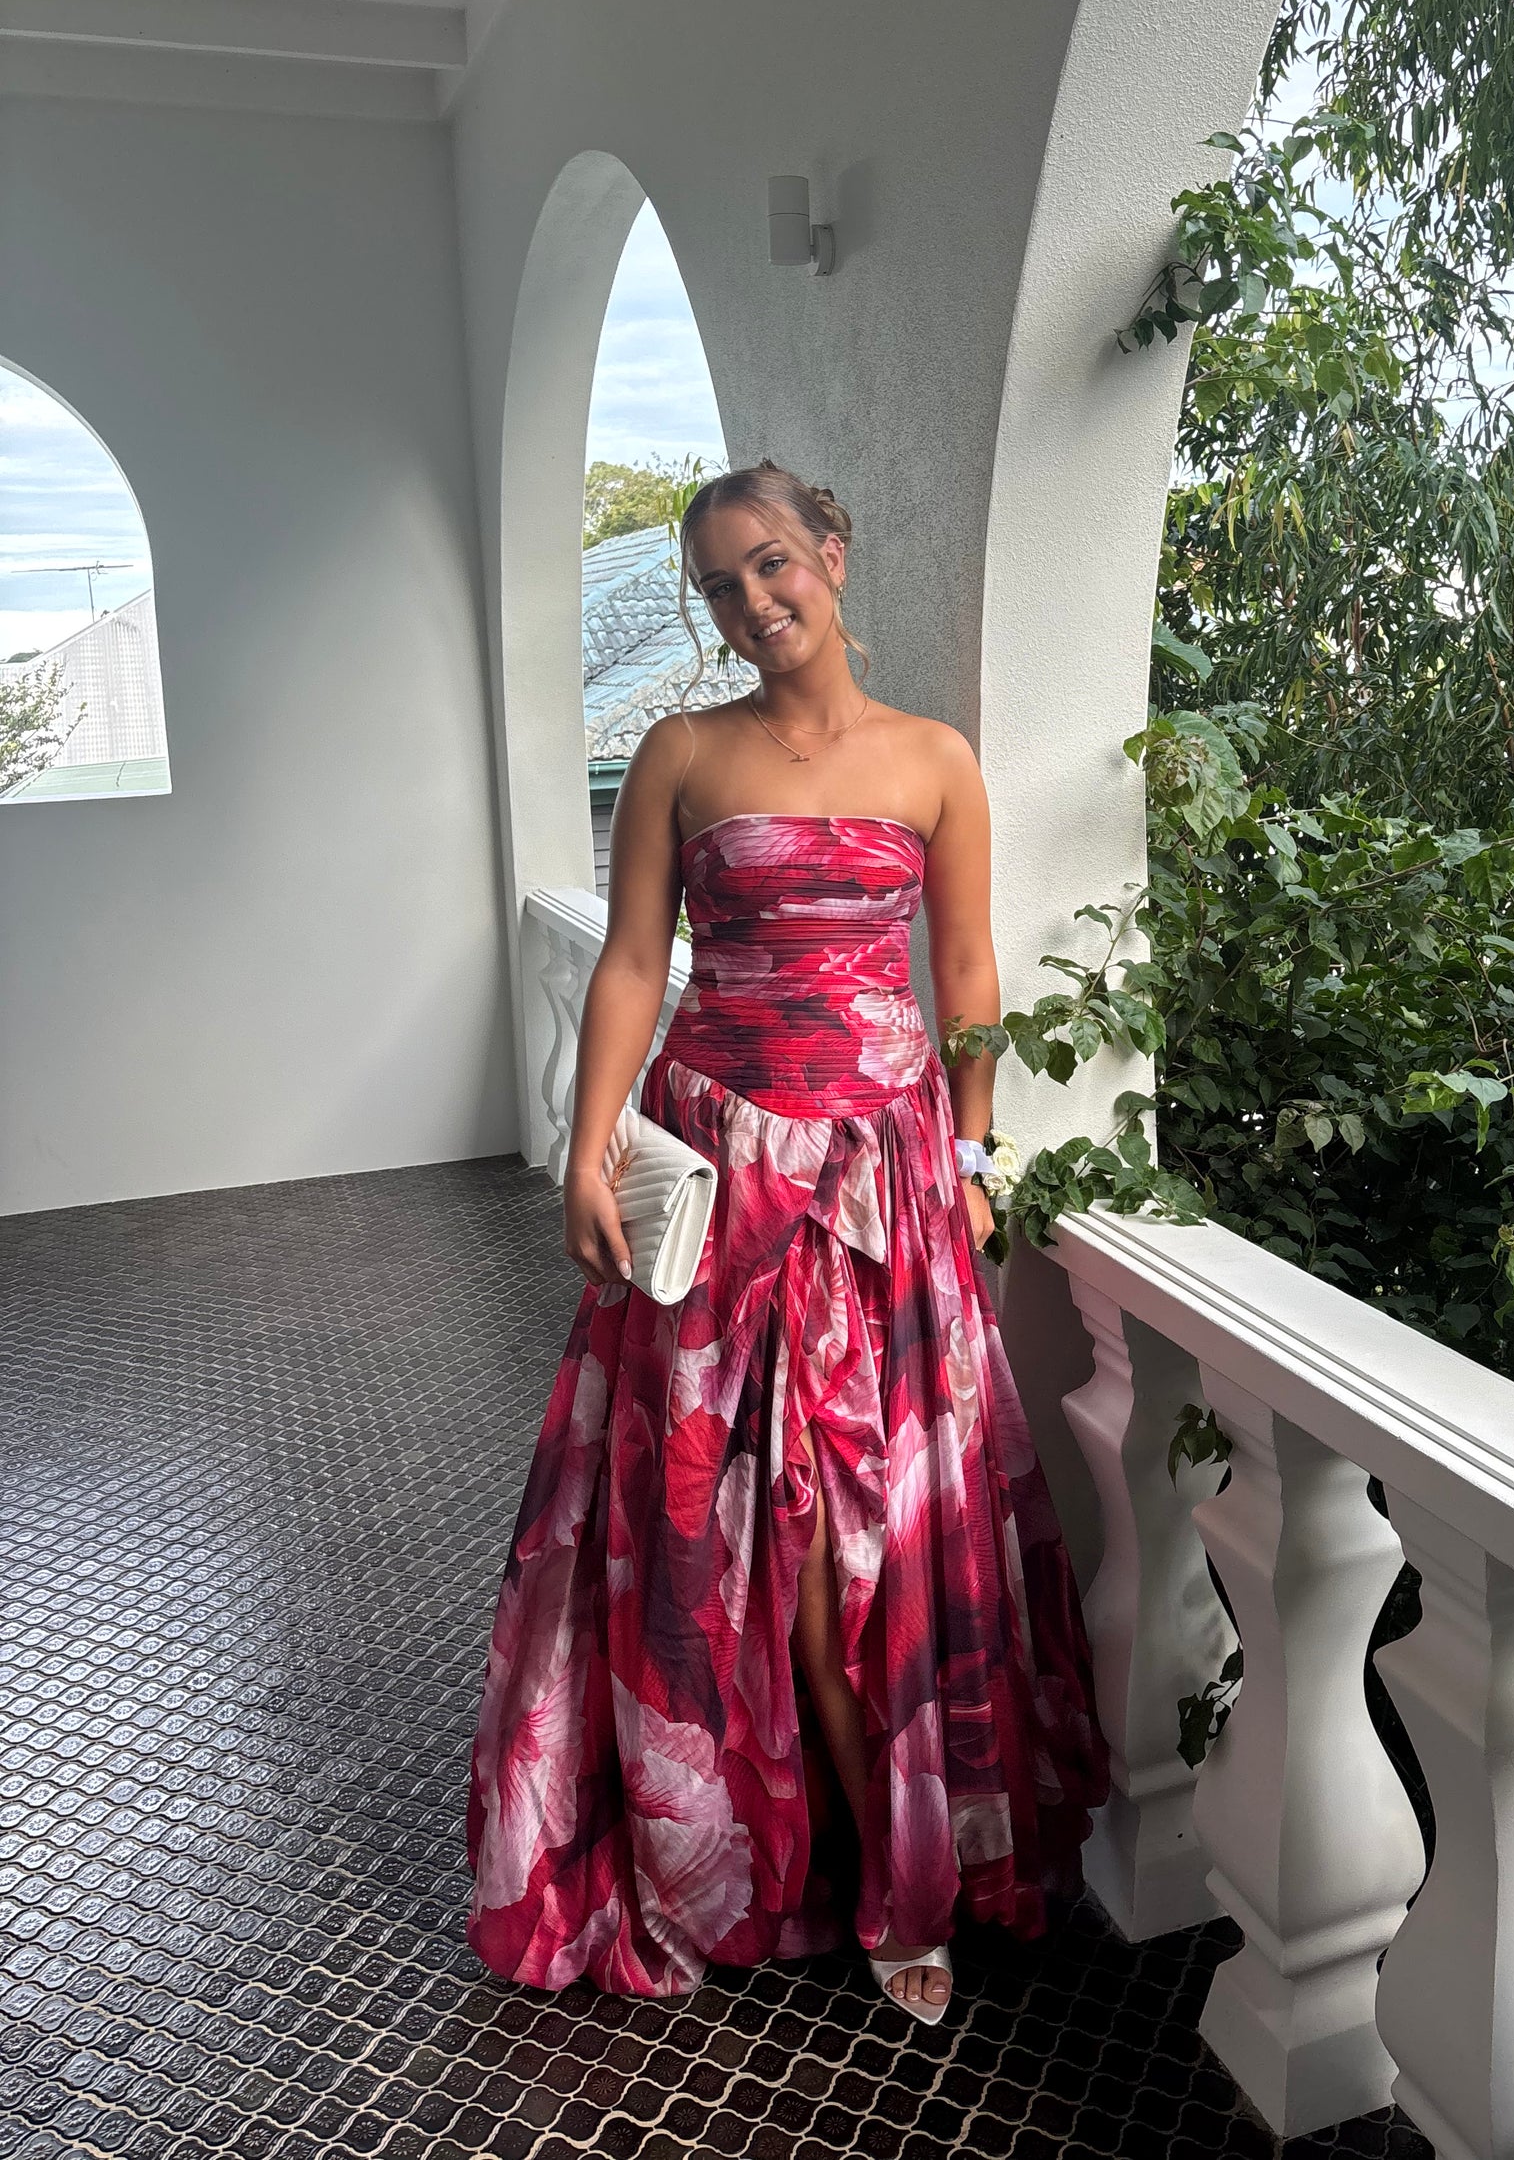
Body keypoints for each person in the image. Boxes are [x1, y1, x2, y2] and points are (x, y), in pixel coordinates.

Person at [466, 461, 1108, 2023]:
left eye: (771, 564)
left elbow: (966, 969)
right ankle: (860, 1874)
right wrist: (587, 1149)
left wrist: (973, 1152)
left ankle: (897, 1870)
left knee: (890, 1525)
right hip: (728, 1179)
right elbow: (633, 963)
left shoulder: (934, 759)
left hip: (888, 1188)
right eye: (720, 585)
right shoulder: (682, 754)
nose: (753, 602)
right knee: (757, 1527)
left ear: (830, 551)